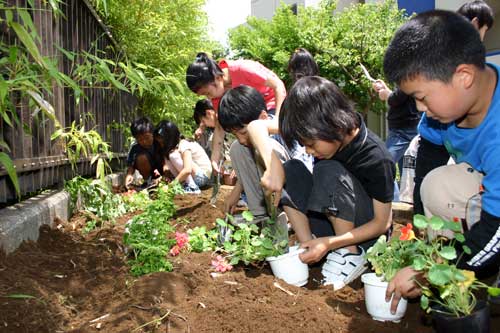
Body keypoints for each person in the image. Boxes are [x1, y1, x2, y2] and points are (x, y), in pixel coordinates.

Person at [382, 10, 500, 312]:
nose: (421, 109)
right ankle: (462, 282)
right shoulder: (442, 115)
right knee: (437, 186)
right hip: (487, 197)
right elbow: (428, 163)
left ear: (463, 77)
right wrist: (425, 243)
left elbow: (497, 226)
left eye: (422, 97)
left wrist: (428, 273)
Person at [261, 76, 395, 290]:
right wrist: (274, 163)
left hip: (364, 239)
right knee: (292, 169)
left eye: (311, 144)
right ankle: (308, 247)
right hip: (332, 224)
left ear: (332, 124)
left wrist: (331, 243)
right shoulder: (328, 143)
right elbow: (254, 127)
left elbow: (382, 224)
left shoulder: (376, 157)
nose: (308, 151)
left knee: (328, 168)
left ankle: (349, 255)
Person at [413, 0, 494, 214]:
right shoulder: (436, 110)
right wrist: (419, 221)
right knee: (438, 186)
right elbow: (427, 165)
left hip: (489, 189)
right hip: (473, 187)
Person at [186, 52, 287, 173]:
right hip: (249, 117)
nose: (208, 98)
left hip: (272, 107)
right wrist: (215, 156)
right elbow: (219, 126)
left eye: (207, 93)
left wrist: (277, 118)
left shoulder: (243, 69)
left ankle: (281, 173)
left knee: (261, 137)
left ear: (217, 78)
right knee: (242, 147)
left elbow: (278, 85)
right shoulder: (217, 95)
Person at [217, 85, 291, 221]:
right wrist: (236, 191)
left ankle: (285, 215)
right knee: (237, 148)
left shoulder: (280, 135)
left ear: (263, 118)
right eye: (235, 134)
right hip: (266, 202)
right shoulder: (241, 146)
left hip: (292, 198)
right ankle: (260, 216)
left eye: (244, 132)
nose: (241, 139)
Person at [154, 120, 212, 194]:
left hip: (202, 177)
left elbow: (187, 170)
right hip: (195, 175)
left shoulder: (184, 144)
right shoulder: (173, 149)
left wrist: (172, 185)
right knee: (168, 156)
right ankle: (185, 184)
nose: (161, 144)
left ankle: (192, 187)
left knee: (173, 155)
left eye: (163, 142)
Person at [125, 117, 162, 190]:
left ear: (152, 133)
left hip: (163, 172)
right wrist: (129, 175)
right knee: (141, 158)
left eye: (147, 138)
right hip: (150, 174)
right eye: (140, 139)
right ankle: (148, 183)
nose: (144, 141)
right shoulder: (135, 147)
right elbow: (131, 165)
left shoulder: (160, 142)